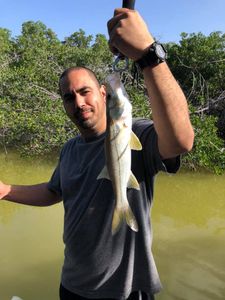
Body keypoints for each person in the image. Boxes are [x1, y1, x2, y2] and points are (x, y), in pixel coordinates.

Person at [0, 8, 194, 300]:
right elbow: (54, 192)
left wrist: (148, 55)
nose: (78, 102)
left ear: (103, 93)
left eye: (84, 91)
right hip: (73, 285)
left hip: (125, 290)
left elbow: (181, 140)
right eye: (69, 97)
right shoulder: (69, 149)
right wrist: (5, 190)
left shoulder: (138, 133)